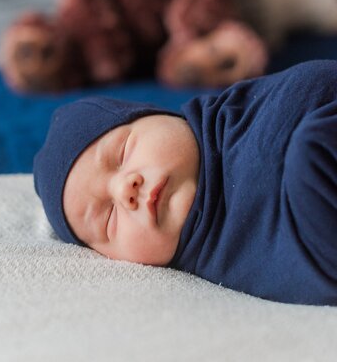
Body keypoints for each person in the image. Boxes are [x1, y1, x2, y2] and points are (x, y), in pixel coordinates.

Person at [34, 60, 337, 305]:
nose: (125, 189)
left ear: (159, 115)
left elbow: (313, 86)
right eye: (108, 218)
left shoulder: (239, 117)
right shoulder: (219, 253)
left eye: (122, 153)